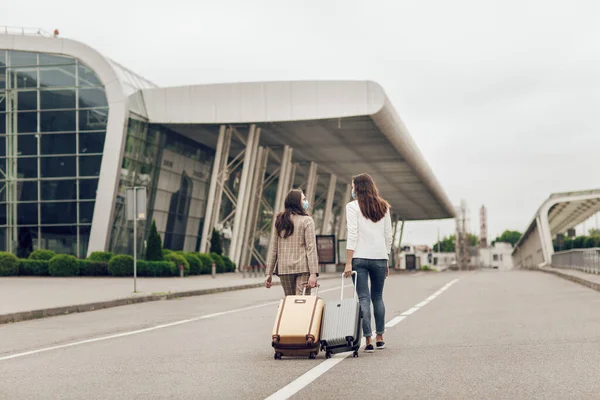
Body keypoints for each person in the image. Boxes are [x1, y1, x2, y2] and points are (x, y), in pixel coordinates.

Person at [344, 173, 392, 353]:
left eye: (352, 186)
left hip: (360, 258)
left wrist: (348, 262)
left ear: (358, 187)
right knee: (377, 297)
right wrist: (386, 258)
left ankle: (368, 340)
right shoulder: (384, 207)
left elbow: (353, 234)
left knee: (363, 298)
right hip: (379, 257)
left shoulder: (352, 207)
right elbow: (388, 236)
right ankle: (380, 337)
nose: (352, 190)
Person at [265, 189, 319, 295]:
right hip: (303, 268)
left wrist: (269, 273)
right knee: (302, 301)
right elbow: (311, 248)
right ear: (297, 202)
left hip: (284, 269)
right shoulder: (307, 221)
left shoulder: (280, 220)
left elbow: (274, 249)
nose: (306, 201)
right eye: (303, 199)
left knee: (290, 301)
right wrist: (313, 273)